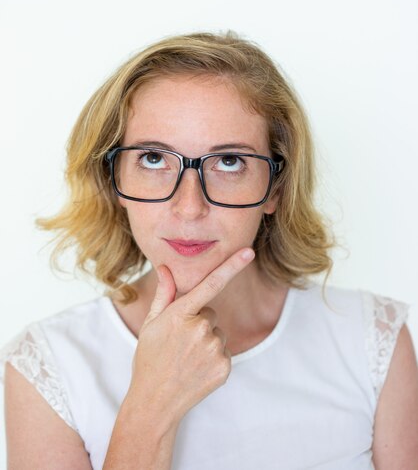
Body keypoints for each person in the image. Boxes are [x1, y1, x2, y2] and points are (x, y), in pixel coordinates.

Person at [1, 31, 417, 470]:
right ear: (114, 180)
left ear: (275, 188)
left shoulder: (372, 339)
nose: (189, 206)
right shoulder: (46, 365)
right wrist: (150, 407)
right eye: (154, 159)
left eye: (230, 162)